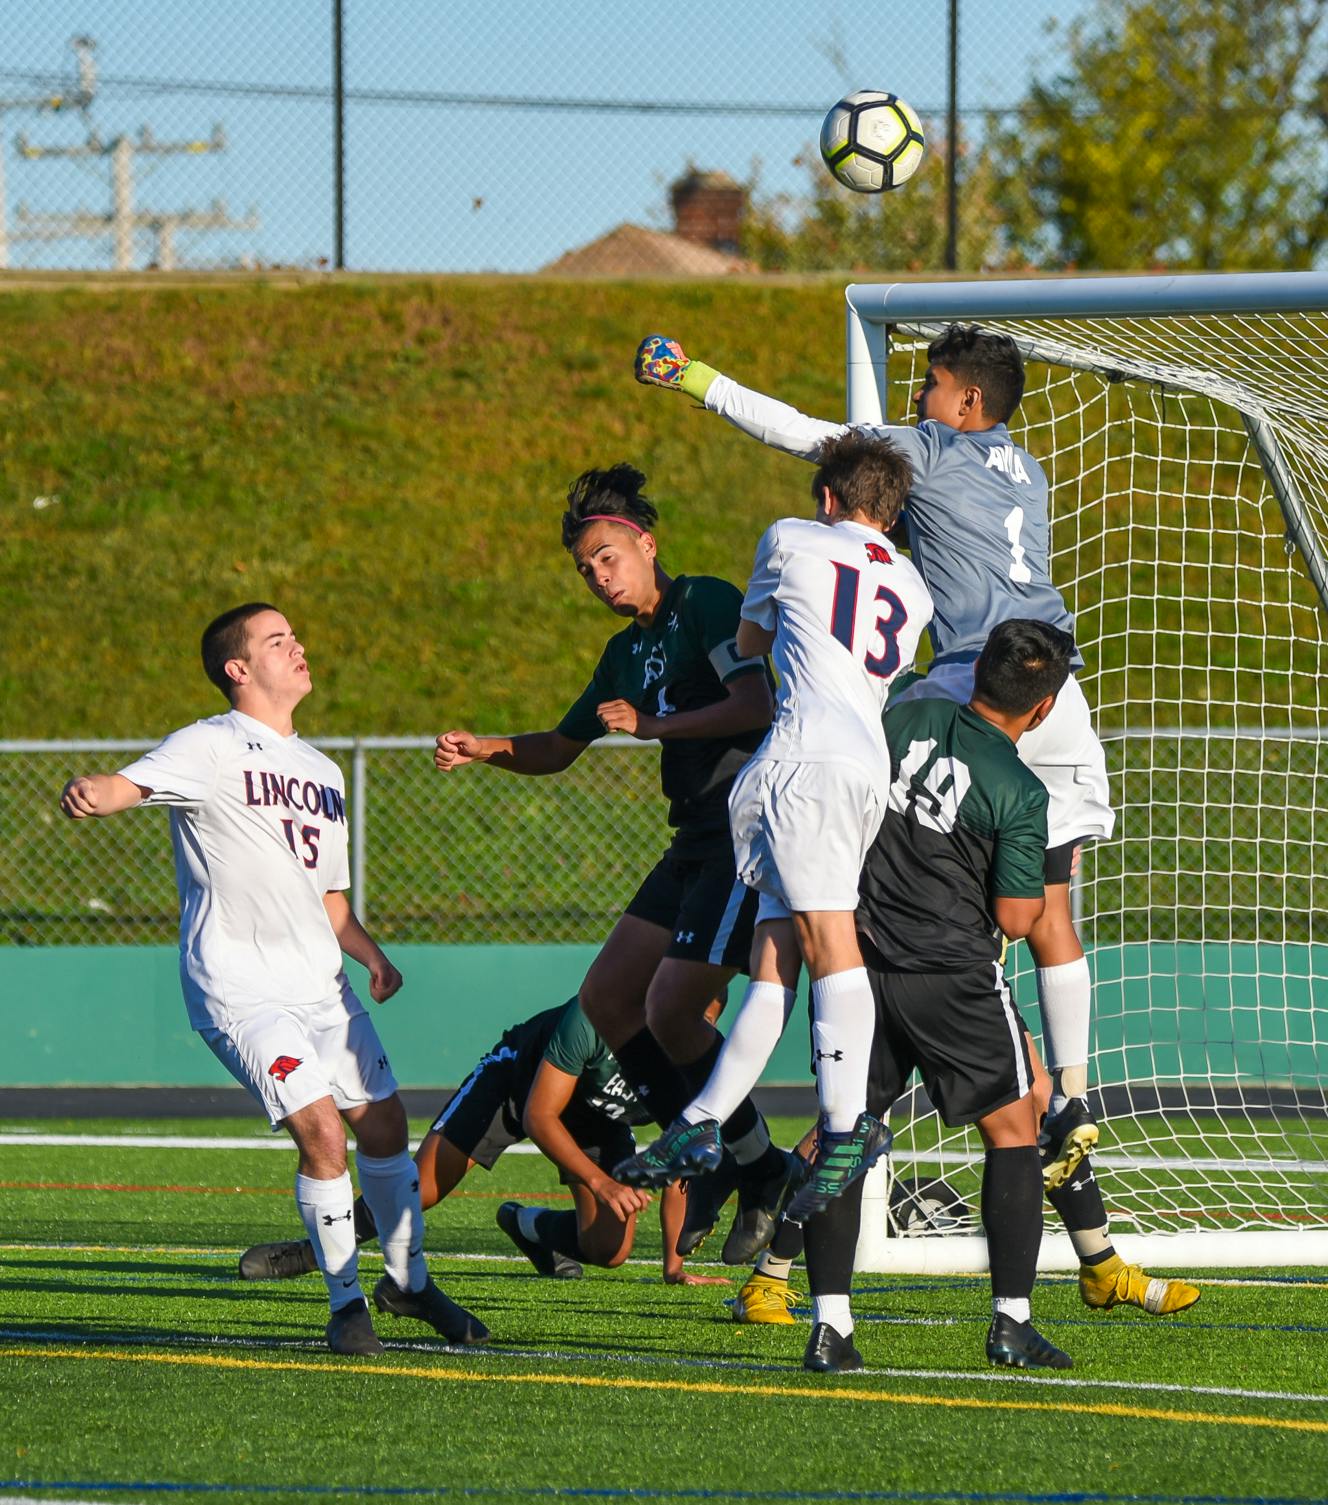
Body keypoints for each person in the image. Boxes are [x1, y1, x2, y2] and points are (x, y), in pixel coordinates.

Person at [635, 327, 1113, 1188]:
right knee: (1049, 907)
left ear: (968, 401)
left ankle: (851, 1115)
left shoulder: (915, 457)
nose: (917, 399)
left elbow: (805, 434)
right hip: (1058, 688)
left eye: (930, 384)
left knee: (867, 910)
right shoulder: (1027, 471)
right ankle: (1072, 1094)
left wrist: (696, 376)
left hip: (969, 683)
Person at [59, 603, 486, 1357]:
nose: (298, 647)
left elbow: (329, 898)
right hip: (240, 989)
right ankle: (347, 1306)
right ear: (239, 667)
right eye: (277, 640)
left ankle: (409, 1283)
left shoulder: (322, 771)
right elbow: (130, 785)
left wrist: (371, 955)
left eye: (295, 637)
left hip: (322, 987)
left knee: (385, 1126)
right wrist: (95, 791)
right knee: (321, 1130)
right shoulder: (210, 743)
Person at [433, 463, 795, 1263]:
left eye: (607, 556)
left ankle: (753, 1164)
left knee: (672, 1009)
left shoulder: (706, 601)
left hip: (744, 830)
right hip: (692, 840)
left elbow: (755, 703)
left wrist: (654, 727)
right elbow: (560, 746)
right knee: (606, 1000)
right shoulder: (622, 652)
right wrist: (487, 747)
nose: (599, 576)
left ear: (647, 545)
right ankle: (727, 1158)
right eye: (585, 568)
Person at [616, 433, 933, 1220]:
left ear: (826, 497)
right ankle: (700, 1121)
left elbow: (752, 641)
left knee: (828, 940)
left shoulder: (792, 539)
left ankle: (846, 1124)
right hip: (860, 762)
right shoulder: (914, 584)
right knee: (773, 956)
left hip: (807, 761)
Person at [237, 998, 734, 1288]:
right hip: (518, 1085)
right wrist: (601, 1182)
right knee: (420, 1188)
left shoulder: (695, 1069)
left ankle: (528, 1226)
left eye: (699, 1027)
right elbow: (539, 1116)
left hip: (595, 1118)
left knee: (609, 1249)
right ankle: (313, 1251)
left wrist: (673, 1264)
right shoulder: (599, 1015)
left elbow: (684, 1159)